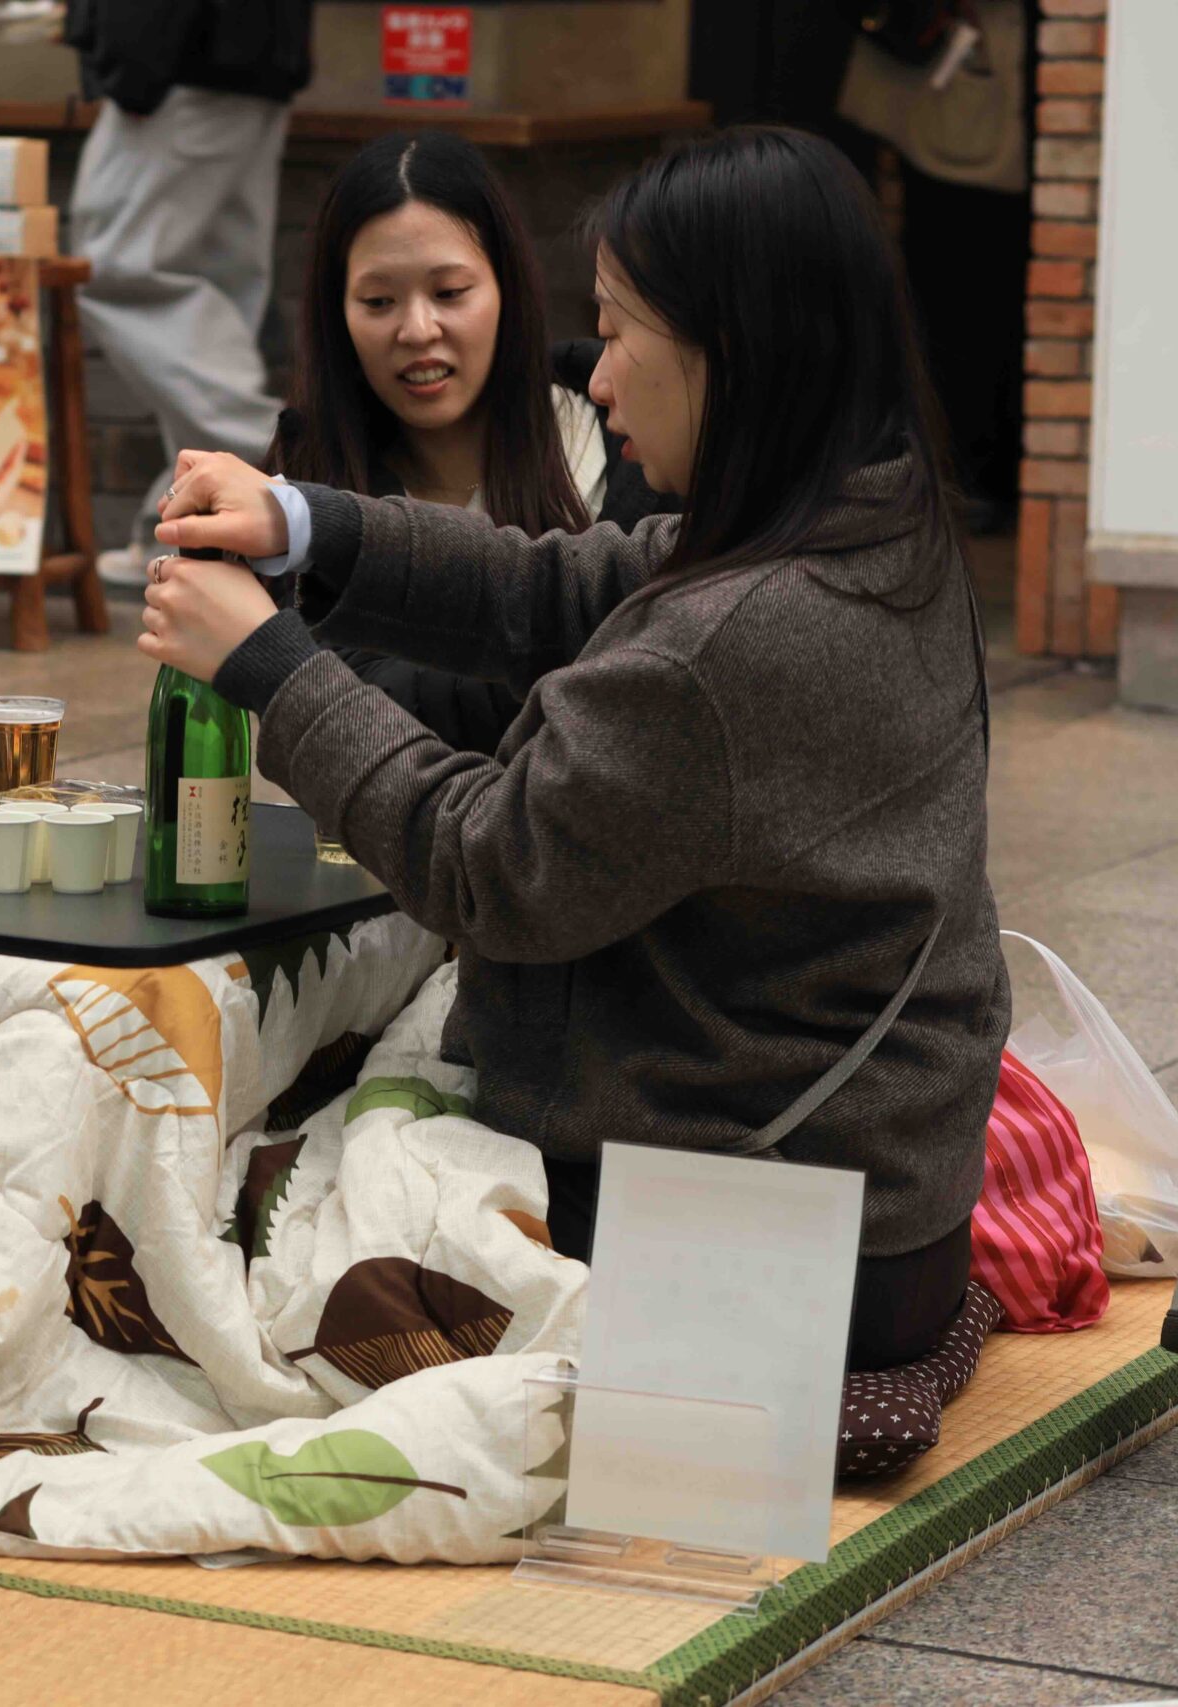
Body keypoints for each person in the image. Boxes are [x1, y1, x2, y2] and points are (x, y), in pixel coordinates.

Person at [139, 126, 1008, 1373]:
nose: (595, 380)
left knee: (216, 1225)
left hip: (756, 1242)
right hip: (878, 1211)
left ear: (734, 349)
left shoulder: (724, 647)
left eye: (618, 333)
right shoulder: (875, 530)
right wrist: (303, 523)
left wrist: (268, 667)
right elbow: (567, 580)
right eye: (378, 300)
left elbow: (484, 870)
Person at [268, 131, 673, 754]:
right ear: (336, 313)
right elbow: (346, 712)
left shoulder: (633, 438)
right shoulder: (304, 485)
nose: (417, 329)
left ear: (507, 287)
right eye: (378, 301)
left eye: (450, 293)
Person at [64, 0, 312, 585]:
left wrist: (127, 54)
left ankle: (268, 458)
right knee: (217, 285)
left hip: (174, 54)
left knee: (115, 269)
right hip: (253, 54)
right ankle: (196, 522)